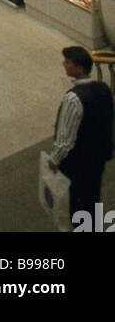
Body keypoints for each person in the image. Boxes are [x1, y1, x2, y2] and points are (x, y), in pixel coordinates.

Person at [49, 45, 113, 224]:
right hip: (97, 159)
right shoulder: (103, 89)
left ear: (79, 68)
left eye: (68, 62)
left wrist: (54, 159)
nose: (64, 64)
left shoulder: (73, 98)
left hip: (78, 163)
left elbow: (65, 140)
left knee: (78, 204)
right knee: (92, 199)